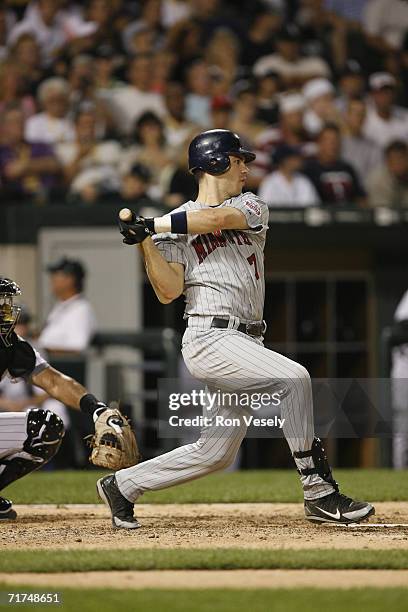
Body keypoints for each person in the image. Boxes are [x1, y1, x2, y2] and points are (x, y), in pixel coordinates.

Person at [97, 128, 375, 529]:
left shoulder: (250, 204)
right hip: (210, 337)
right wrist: (145, 241)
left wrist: (151, 224)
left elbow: (213, 219)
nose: (245, 167)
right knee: (294, 379)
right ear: (215, 162)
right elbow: (168, 290)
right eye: (239, 159)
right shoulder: (171, 228)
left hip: (246, 339)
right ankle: (319, 492)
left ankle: (122, 485)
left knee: (217, 452)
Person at [0, 276, 111, 520]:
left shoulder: (10, 345)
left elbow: (53, 380)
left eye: (6, 302)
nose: (6, 309)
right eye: (1, 303)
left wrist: (98, 409)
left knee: (46, 428)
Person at [303, 123, 366, 206]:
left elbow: (361, 198)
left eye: (336, 140)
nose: (333, 144)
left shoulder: (348, 168)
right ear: (319, 143)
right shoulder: (309, 169)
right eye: (328, 140)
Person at [341, 98, 382, 188]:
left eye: (362, 114)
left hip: (366, 193)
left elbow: (376, 175)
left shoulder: (373, 146)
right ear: (346, 115)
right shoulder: (337, 143)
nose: (359, 117)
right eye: (355, 113)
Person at [363, 73, 408, 149]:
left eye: (387, 92)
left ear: (394, 94)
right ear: (372, 95)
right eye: (380, 92)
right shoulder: (365, 120)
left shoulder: (406, 116)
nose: (384, 96)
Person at [366, 140, 408, 208]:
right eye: (394, 160)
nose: (398, 163)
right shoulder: (377, 179)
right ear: (387, 161)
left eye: (401, 158)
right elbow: (379, 210)